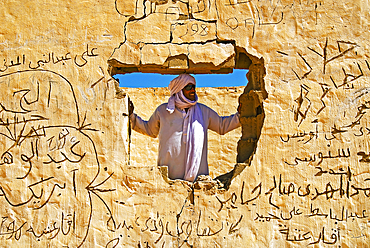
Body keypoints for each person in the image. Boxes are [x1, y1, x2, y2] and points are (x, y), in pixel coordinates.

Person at [128, 74, 240, 182]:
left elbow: (222, 126)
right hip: (168, 179)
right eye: (189, 87)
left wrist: (241, 116)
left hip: (198, 181)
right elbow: (149, 129)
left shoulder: (203, 111)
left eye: (194, 87)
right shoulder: (163, 111)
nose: (193, 90)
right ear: (179, 90)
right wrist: (131, 116)